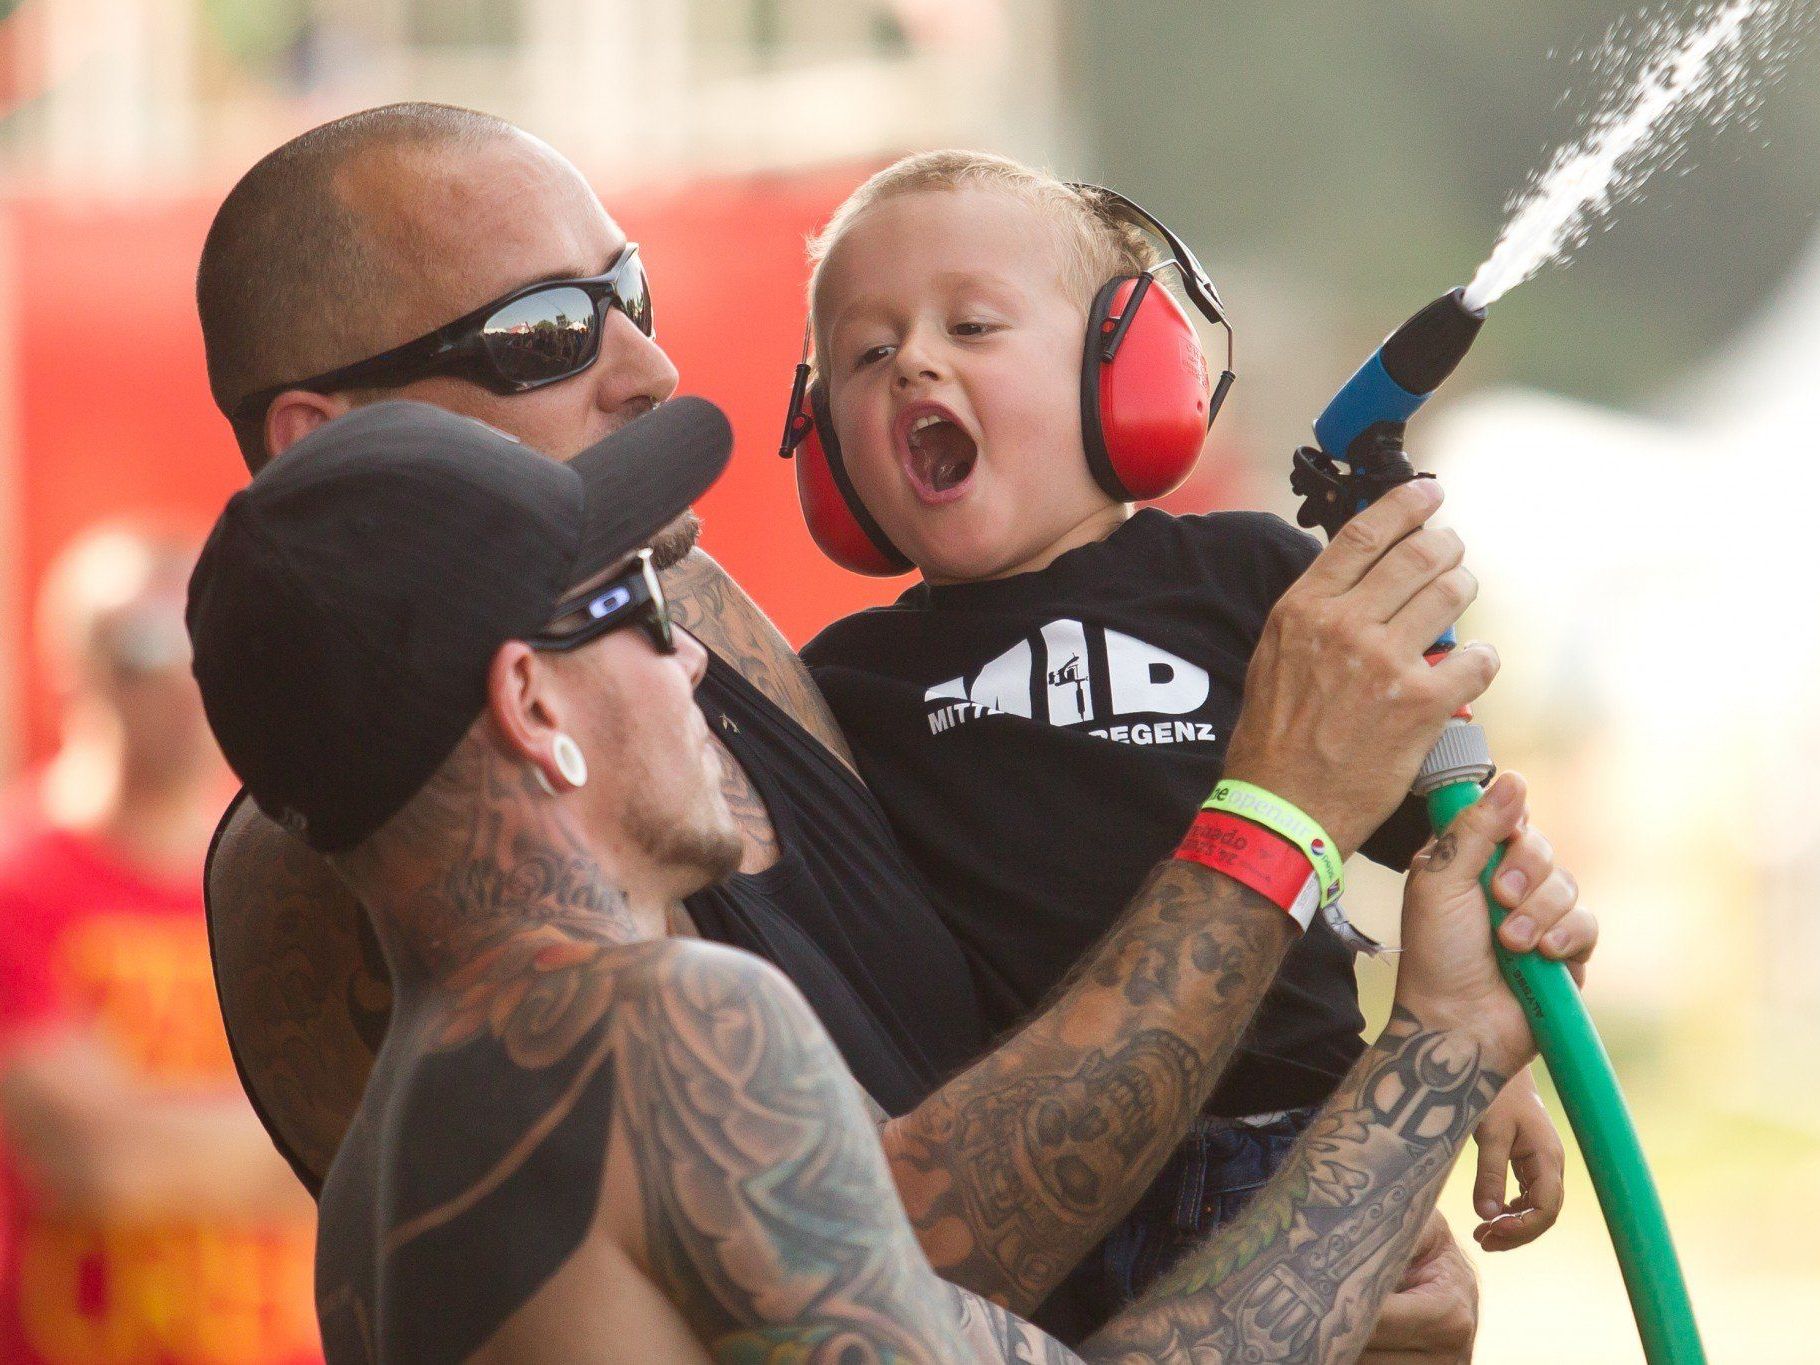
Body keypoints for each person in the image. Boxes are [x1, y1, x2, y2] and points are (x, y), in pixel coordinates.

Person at [193, 102, 1581, 1347]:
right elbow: (877, 1253)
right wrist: (1284, 813)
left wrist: (1332, 1223)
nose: (654, 371)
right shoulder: (336, 871)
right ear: (322, 440)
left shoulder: (695, 618)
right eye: (546, 333)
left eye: (634, 295)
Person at [795, 150, 1566, 1318]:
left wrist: (1485, 1060)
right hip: (1032, 1201)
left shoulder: (1253, 579)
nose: (911, 359)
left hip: (1289, 1151)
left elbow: (1449, 837)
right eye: (862, 353)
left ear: (1127, 371)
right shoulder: (840, 686)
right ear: (824, 441)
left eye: (972, 324)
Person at [0, 524, 318, 1364]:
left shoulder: (309, 884)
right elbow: (101, 1159)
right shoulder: (16, 884)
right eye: (147, 648)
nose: (183, 682)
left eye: (203, 645)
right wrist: (324, 1145)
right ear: (75, 668)